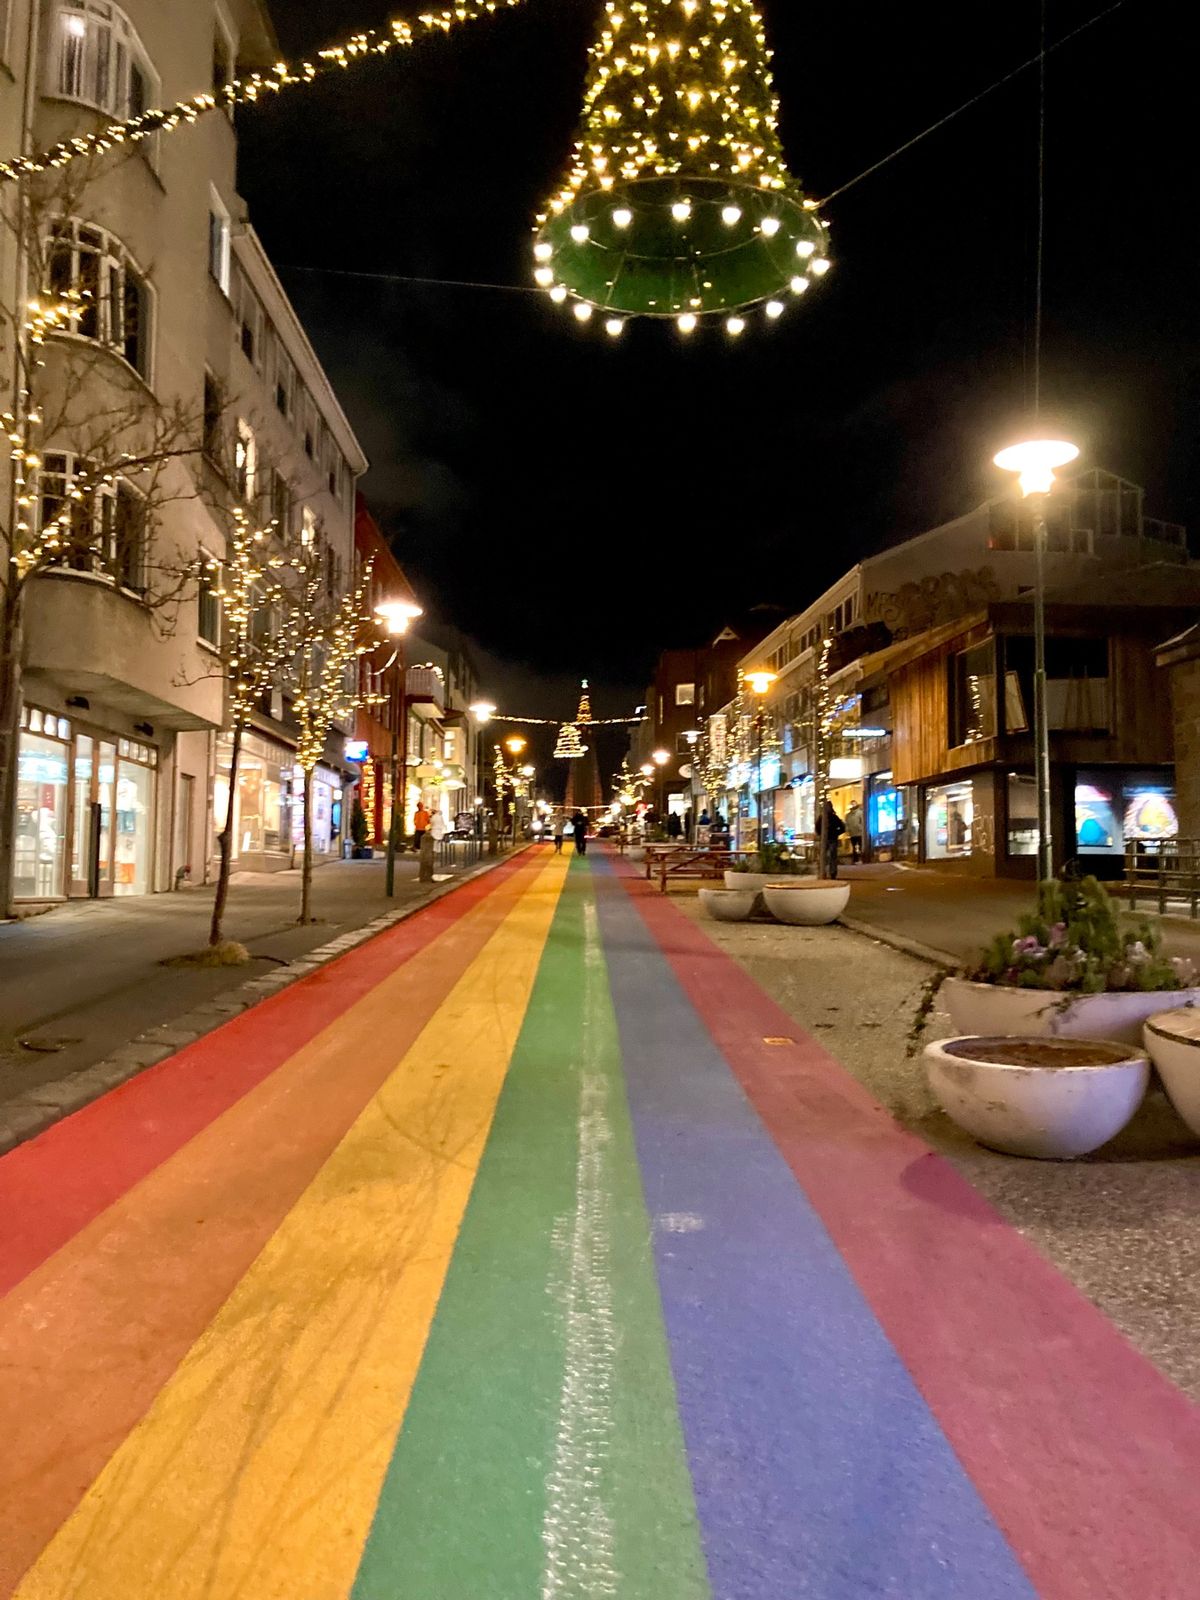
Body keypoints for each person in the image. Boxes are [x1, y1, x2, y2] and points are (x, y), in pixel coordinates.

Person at [818, 798, 845, 880]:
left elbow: (842, 828)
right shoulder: (822, 818)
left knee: (830, 856)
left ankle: (831, 873)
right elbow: (817, 828)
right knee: (826, 856)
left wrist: (836, 833)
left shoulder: (832, 817)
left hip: (831, 839)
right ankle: (826, 872)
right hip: (827, 839)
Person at [845, 800, 865, 864]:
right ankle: (855, 859)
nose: (853, 805)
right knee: (854, 847)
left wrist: (861, 829)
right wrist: (847, 831)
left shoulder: (860, 813)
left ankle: (861, 859)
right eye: (852, 804)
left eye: (854, 804)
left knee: (860, 846)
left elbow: (863, 822)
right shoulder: (848, 815)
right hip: (852, 833)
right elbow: (847, 824)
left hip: (859, 833)